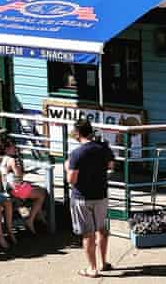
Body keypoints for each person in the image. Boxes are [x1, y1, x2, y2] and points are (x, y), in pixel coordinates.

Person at [66, 119, 115, 278]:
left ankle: (92, 268)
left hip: (82, 198)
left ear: (78, 133)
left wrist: (67, 167)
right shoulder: (103, 148)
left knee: (88, 234)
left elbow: (71, 179)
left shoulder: (76, 154)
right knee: (102, 229)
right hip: (100, 195)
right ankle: (104, 262)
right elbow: (111, 166)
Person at [0, 138, 48, 234]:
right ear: (7, 149)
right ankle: (31, 220)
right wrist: (21, 169)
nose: (15, 148)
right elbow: (19, 177)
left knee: (37, 189)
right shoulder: (12, 160)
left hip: (6, 189)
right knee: (42, 193)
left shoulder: (0, 159)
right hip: (16, 190)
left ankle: (39, 216)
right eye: (12, 147)